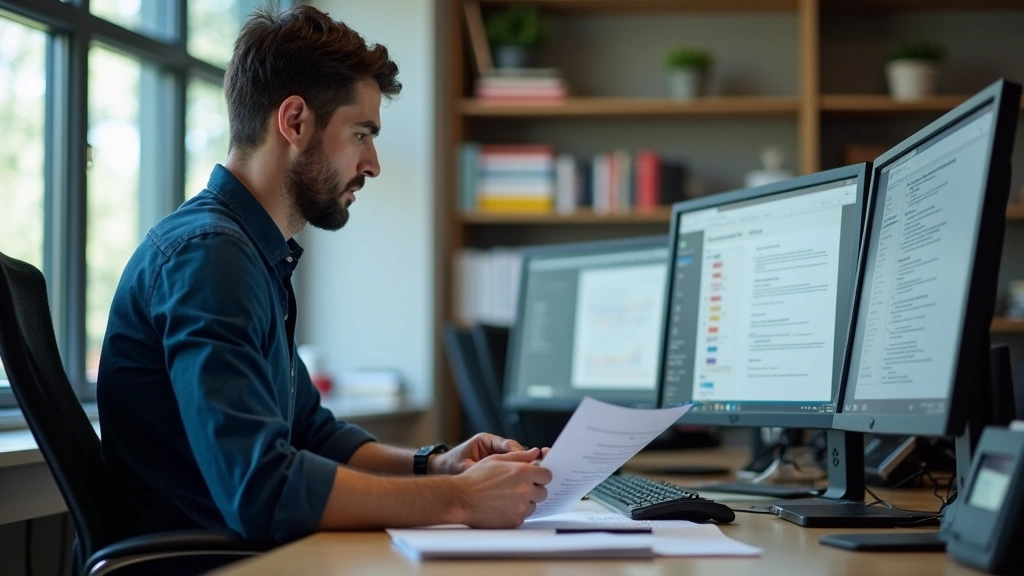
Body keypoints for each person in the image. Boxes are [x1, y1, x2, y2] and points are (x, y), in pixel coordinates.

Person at [97, 4, 551, 546]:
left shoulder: (252, 254)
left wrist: (438, 465)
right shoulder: (210, 257)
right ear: (294, 121)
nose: (373, 163)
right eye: (361, 134)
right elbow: (262, 489)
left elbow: (312, 432)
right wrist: (462, 499)